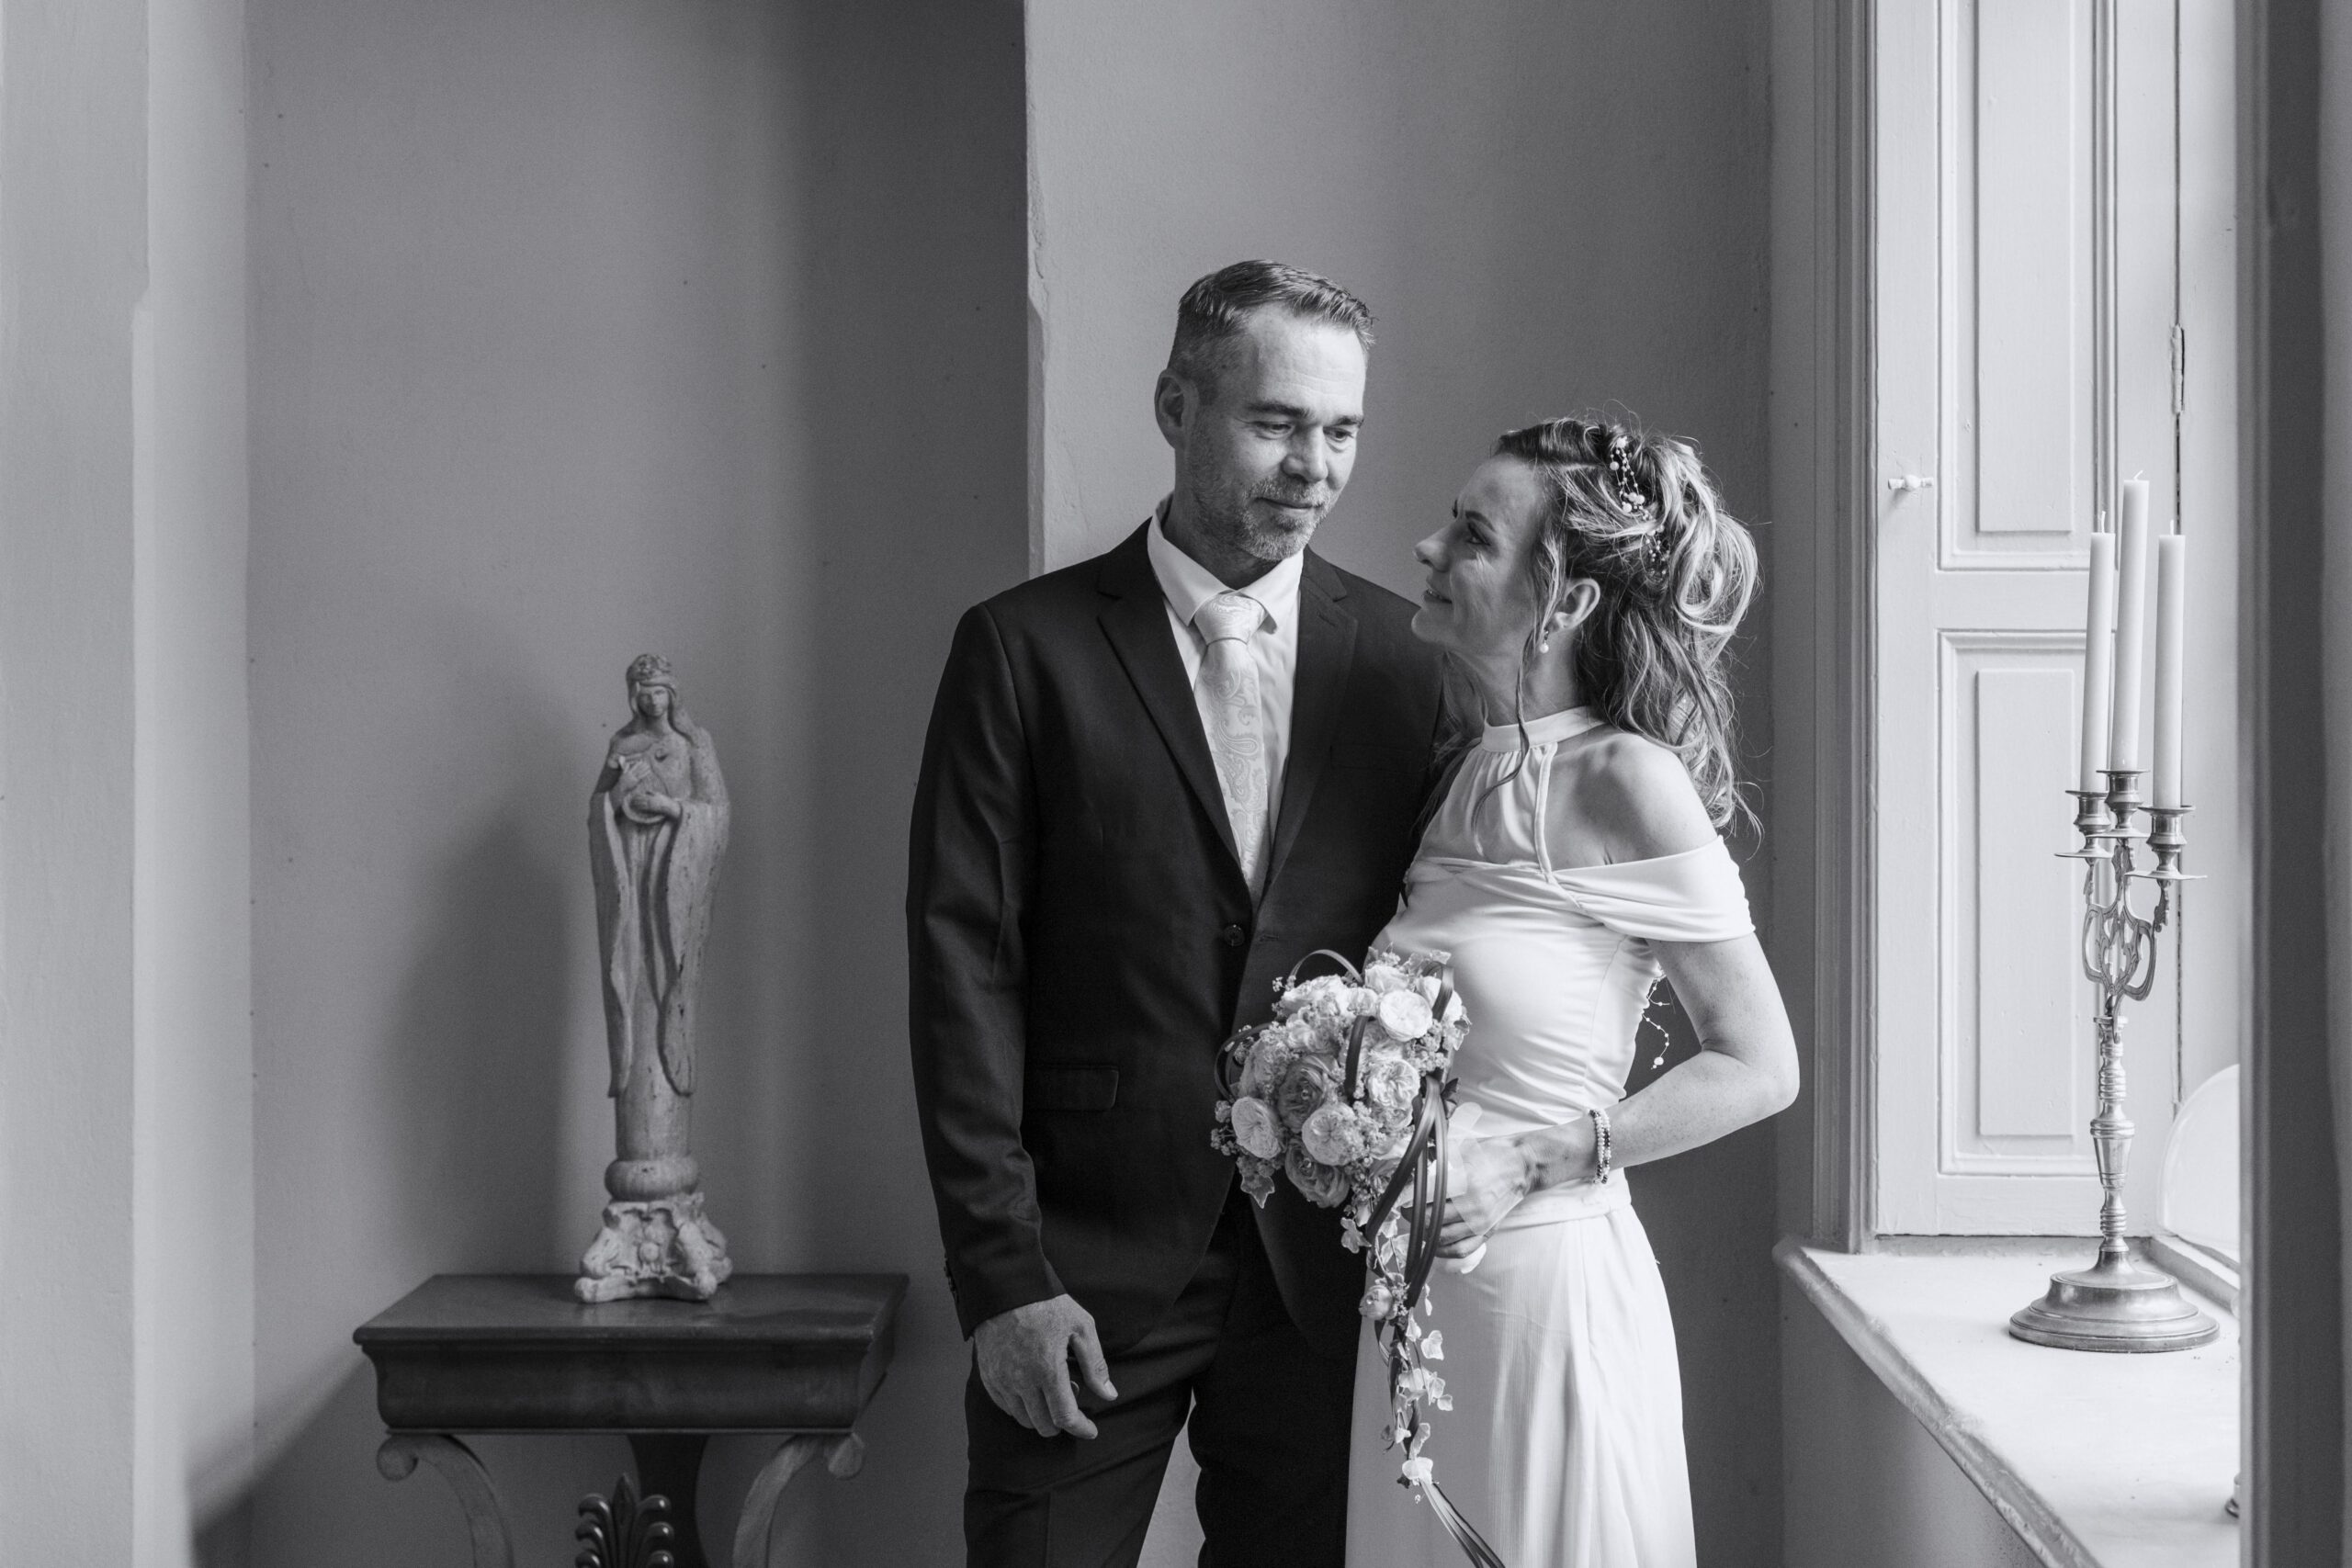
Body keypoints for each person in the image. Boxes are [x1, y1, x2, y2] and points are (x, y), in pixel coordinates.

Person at [908, 261, 1443, 1566]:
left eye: (1342, 430)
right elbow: (962, 972)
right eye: (1276, 422)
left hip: (1321, 1273)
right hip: (1080, 1264)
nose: (1313, 466)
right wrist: (1004, 1277)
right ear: (1174, 406)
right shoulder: (1021, 649)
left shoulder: (1410, 661)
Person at [1344, 417, 1799, 1567]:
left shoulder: (1625, 780)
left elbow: (1760, 1065)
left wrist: (1530, 1161)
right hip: (1421, 1310)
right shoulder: (1465, 768)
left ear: (1567, 600)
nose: (1427, 547)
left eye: (1472, 536)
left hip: (1547, 1296)